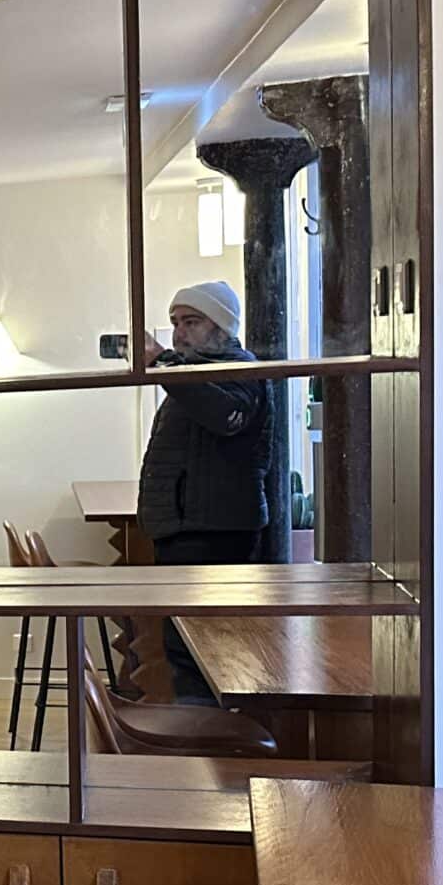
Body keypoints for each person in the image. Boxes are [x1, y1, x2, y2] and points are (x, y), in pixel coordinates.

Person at [136, 280, 274, 702]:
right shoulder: (193, 373)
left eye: (192, 321)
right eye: (176, 322)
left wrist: (163, 365)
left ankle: (211, 731)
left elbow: (223, 414)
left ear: (222, 326)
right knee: (184, 646)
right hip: (185, 528)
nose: (179, 332)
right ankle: (198, 730)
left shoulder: (240, 372)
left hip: (214, 532)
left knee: (211, 649)